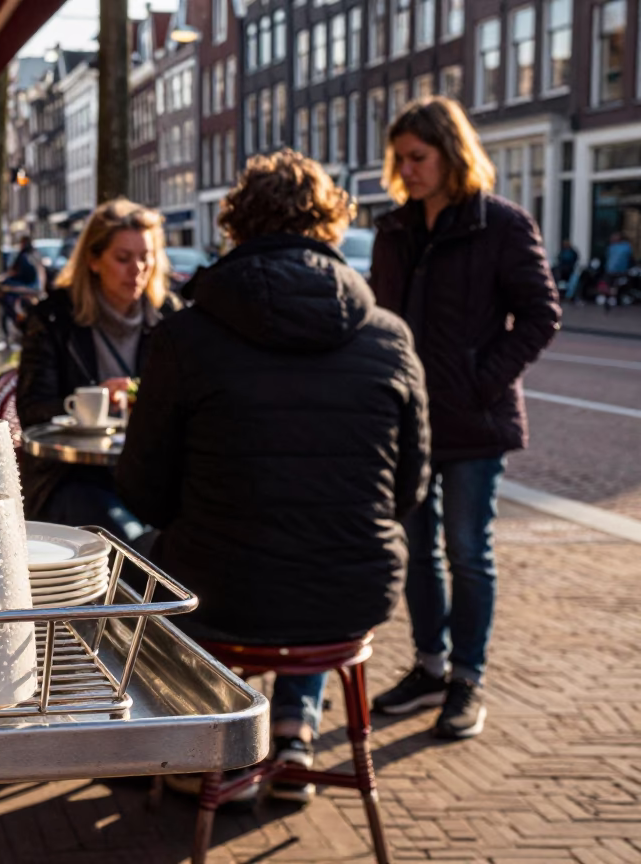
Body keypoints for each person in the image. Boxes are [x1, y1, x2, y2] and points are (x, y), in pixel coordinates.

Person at [116, 149, 430, 803]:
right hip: (353, 590)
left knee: (130, 571)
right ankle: (294, 729)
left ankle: (206, 741)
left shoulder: (183, 337)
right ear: (332, 226)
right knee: (308, 544)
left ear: (236, 226)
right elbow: (409, 490)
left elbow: (143, 490)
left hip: (222, 590)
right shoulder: (391, 338)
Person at [368, 97, 561, 740]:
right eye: (399, 159)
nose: (408, 169)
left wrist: (481, 380)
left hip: (475, 423)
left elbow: (541, 314)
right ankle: (429, 667)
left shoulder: (501, 224)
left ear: (451, 153)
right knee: (418, 552)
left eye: (417, 157)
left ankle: (466, 679)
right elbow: (382, 322)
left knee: (467, 552)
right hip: (409, 422)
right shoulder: (394, 229)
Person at [16, 198, 180, 543]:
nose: (137, 269)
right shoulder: (53, 319)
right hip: (71, 476)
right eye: (123, 258)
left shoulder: (170, 317)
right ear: (93, 260)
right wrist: (93, 404)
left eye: (145, 257)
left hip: (152, 475)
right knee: (131, 540)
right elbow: (32, 409)